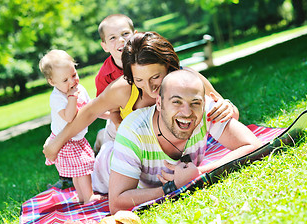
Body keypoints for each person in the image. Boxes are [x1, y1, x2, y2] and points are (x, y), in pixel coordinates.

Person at [43, 32, 239, 194]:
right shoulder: (124, 89)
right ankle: (104, 142)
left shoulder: (188, 80)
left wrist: (228, 107)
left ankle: (105, 138)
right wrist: (57, 142)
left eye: (156, 77)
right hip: (125, 158)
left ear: (169, 66)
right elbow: (89, 112)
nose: (150, 88)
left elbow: (229, 113)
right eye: (139, 80)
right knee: (97, 172)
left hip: (167, 159)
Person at [108, 69, 262, 213]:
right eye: (177, 102)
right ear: (159, 104)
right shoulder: (132, 131)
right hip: (105, 167)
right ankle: (104, 138)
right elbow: (116, 203)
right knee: (106, 150)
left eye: (195, 103)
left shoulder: (206, 109)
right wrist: (173, 187)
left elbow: (253, 145)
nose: (187, 112)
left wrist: (199, 173)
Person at [39, 50, 103, 204]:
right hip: (65, 141)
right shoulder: (57, 98)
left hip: (76, 138)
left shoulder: (79, 90)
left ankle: (82, 197)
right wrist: (72, 97)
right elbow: (69, 117)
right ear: (52, 82)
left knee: (79, 170)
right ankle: (87, 197)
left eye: (74, 75)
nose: (72, 82)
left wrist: (108, 114)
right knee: (81, 170)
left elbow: (90, 108)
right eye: (65, 80)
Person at [94, 14, 137, 153]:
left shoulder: (146, 59)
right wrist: (119, 123)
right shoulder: (104, 76)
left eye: (125, 34)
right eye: (112, 37)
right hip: (119, 116)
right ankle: (102, 137)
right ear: (104, 46)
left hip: (147, 110)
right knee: (113, 148)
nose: (120, 40)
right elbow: (109, 109)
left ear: (135, 35)